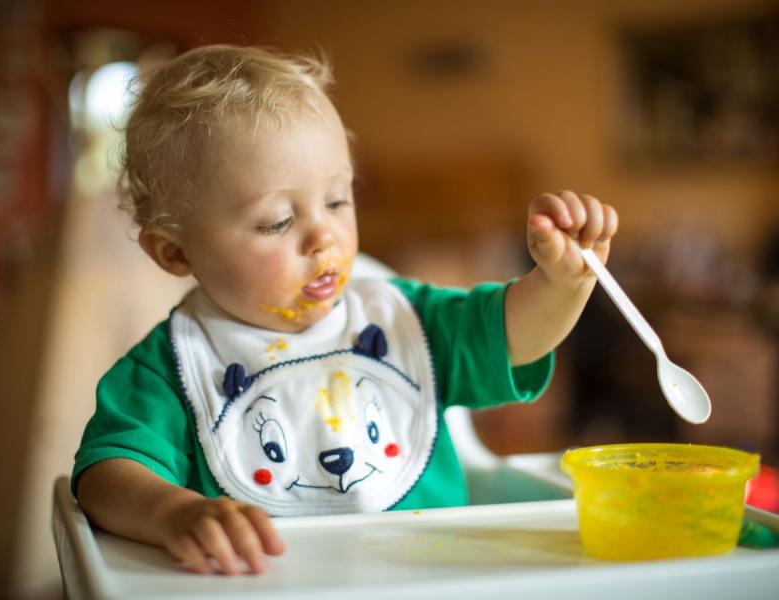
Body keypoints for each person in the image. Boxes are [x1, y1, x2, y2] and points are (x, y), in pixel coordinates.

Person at [72, 44, 619, 576]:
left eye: (338, 199)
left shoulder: (404, 318)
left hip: (437, 578)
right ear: (176, 251)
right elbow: (105, 475)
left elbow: (512, 336)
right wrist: (174, 513)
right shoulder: (171, 367)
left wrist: (561, 283)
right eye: (276, 222)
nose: (323, 235)